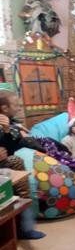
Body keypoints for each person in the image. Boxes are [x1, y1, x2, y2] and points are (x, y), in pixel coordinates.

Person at [0, 90, 45, 239]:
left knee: (16, 161)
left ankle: (25, 225)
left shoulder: (7, 121)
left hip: (5, 163)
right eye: (16, 105)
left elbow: (10, 148)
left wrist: (7, 131)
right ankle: (24, 227)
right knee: (16, 161)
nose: (19, 108)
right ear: (4, 108)